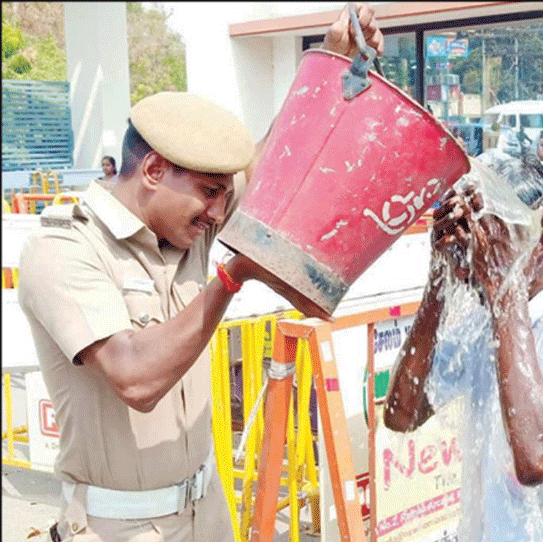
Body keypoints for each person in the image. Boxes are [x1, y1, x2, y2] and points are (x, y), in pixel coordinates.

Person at [17, 5, 383, 542]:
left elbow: (270, 166)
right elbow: (135, 378)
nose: (219, 213)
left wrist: (328, 62)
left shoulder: (187, 227)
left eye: (223, 196)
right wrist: (231, 279)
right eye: (210, 194)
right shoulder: (64, 247)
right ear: (155, 171)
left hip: (205, 510)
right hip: (117, 525)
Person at [383, 149, 543, 541]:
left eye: (490, 240)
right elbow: (401, 414)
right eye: (470, 239)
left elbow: (539, 459)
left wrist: (507, 295)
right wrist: (438, 283)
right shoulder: (480, 314)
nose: (475, 257)